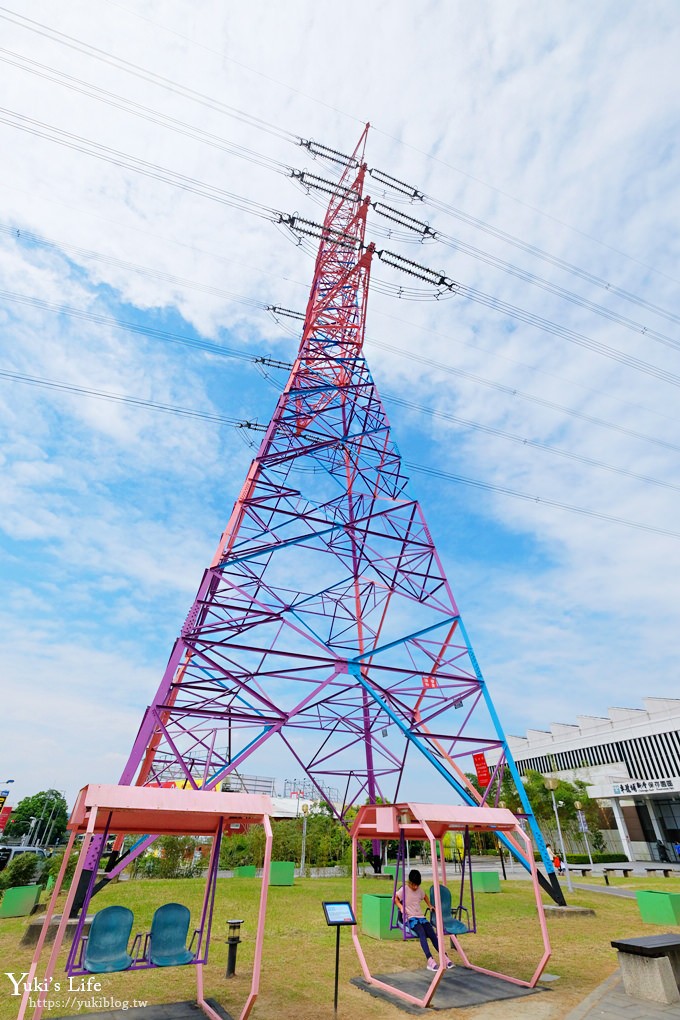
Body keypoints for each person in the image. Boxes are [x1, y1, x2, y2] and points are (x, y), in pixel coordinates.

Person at [394, 869, 453, 972]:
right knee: (421, 933)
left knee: (432, 934)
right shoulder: (404, 889)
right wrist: (400, 907)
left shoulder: (419, 890)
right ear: (409, 882)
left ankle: (444, 957)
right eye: (414, 885)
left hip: (421, 917)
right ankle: (430, 960)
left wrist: (430, 905)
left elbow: (424, 896)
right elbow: (395, 898)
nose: (415, 887)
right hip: (410, 918)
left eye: (417, 885)